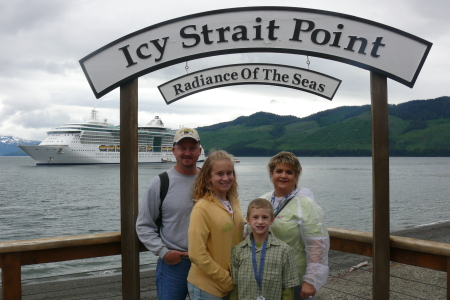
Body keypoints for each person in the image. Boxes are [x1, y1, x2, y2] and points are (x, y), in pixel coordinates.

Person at [136, 127, 202, 300]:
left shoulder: (209, 179)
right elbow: (144, 224)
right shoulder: (160, 182)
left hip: (206, 262)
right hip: (175, 264)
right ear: (173, 150)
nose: (187, 153)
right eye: (182, 148)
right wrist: (163, 252)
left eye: (192, 148)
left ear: (199, 151)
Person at [259, 151, 329, 300]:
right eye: (279, 171)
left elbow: (317, 244)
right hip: (265, 278)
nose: (283, 176)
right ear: (271, 174)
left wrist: (311, 280)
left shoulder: (306, 205)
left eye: (289, 172)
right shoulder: (263, 200)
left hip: (294, 280)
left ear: (296, 176)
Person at [187, 150, 245, 300]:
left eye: (229, 173)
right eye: (219, 174)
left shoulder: (234, 203)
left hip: (230, 285)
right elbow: (196, 254)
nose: (226, 178)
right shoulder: (202, 208)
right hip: (207, 287)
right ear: (208, 178)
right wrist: (225, 278)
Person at [230, 198, 299, 300]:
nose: (260, 221)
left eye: (265, 217)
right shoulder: (237, 251)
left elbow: (288, 288)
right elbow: (235, 287)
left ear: (272, 220)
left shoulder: (285, 251)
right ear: (248, 220)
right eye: (255, 217)